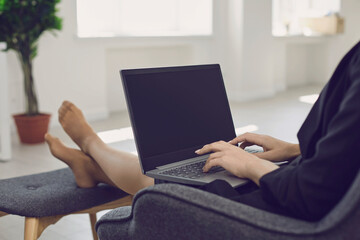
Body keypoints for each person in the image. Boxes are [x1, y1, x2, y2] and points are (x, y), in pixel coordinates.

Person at [45, 40, 360, 222]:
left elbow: (311, 193)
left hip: (286, 210)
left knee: (160, 179)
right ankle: (91, 170)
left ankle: (90, 143)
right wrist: (295, 149)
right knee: (198, 163)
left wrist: (251, 165)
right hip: (307, 185)